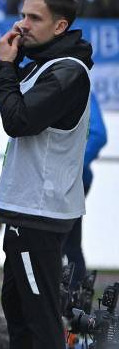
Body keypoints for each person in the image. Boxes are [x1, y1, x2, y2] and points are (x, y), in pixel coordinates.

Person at [0, 0, 94, 349]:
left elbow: (17, 120)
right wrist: (6, 63)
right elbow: (1, 95)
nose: (22, 24)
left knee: (40, 319)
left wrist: (10, 67)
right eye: (22, 13)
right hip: (25, 209)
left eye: (34, 18)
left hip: (40, 212)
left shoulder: (67, 71)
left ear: (60, 25)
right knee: (19, 314)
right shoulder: (44, 62)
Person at [62, 93, 107, 289]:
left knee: (59, 244)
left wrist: (71, 166)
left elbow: (98, 134)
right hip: (55, 180)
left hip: (72, 180)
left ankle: (70, 303)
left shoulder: (81, 88)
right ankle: (71, 303)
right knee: (66, 243)